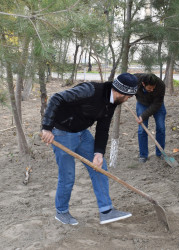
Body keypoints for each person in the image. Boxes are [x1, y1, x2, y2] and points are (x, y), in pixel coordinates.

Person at [41, 73, 138, 225]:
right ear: (121, 92)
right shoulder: (90, 90)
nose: (128, 100)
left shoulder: (112, 102)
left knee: (99, 167)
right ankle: (61, 212)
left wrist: (99, 152)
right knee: (67, 176)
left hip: (82, 134)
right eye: (128, 97)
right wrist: (46, 128)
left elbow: (103, 128)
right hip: (62, 133)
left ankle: (106, 211)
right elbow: (56, 98)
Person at [133, 73, 166, 163]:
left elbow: (157, 104)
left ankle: (160, 153)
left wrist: (143, 116)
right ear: (143, 84)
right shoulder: (135, 79)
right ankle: (143, 155)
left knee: (161, 128)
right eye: (149, 88)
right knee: (142, 130)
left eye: (153, 88)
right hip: (142, 103)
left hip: (157, 105)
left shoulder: (161, 85)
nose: (152, 90)